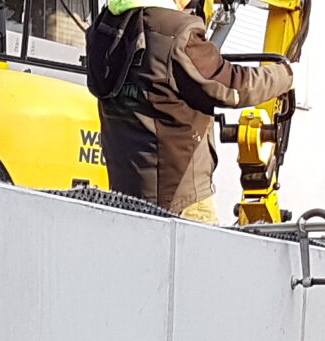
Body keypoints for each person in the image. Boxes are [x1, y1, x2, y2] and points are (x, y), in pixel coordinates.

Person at [86, 0, 293, 221]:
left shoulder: (105, 28)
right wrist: (286, 75)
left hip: (127, 191)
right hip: (179, 198)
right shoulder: (176, 31)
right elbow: (233, 85)